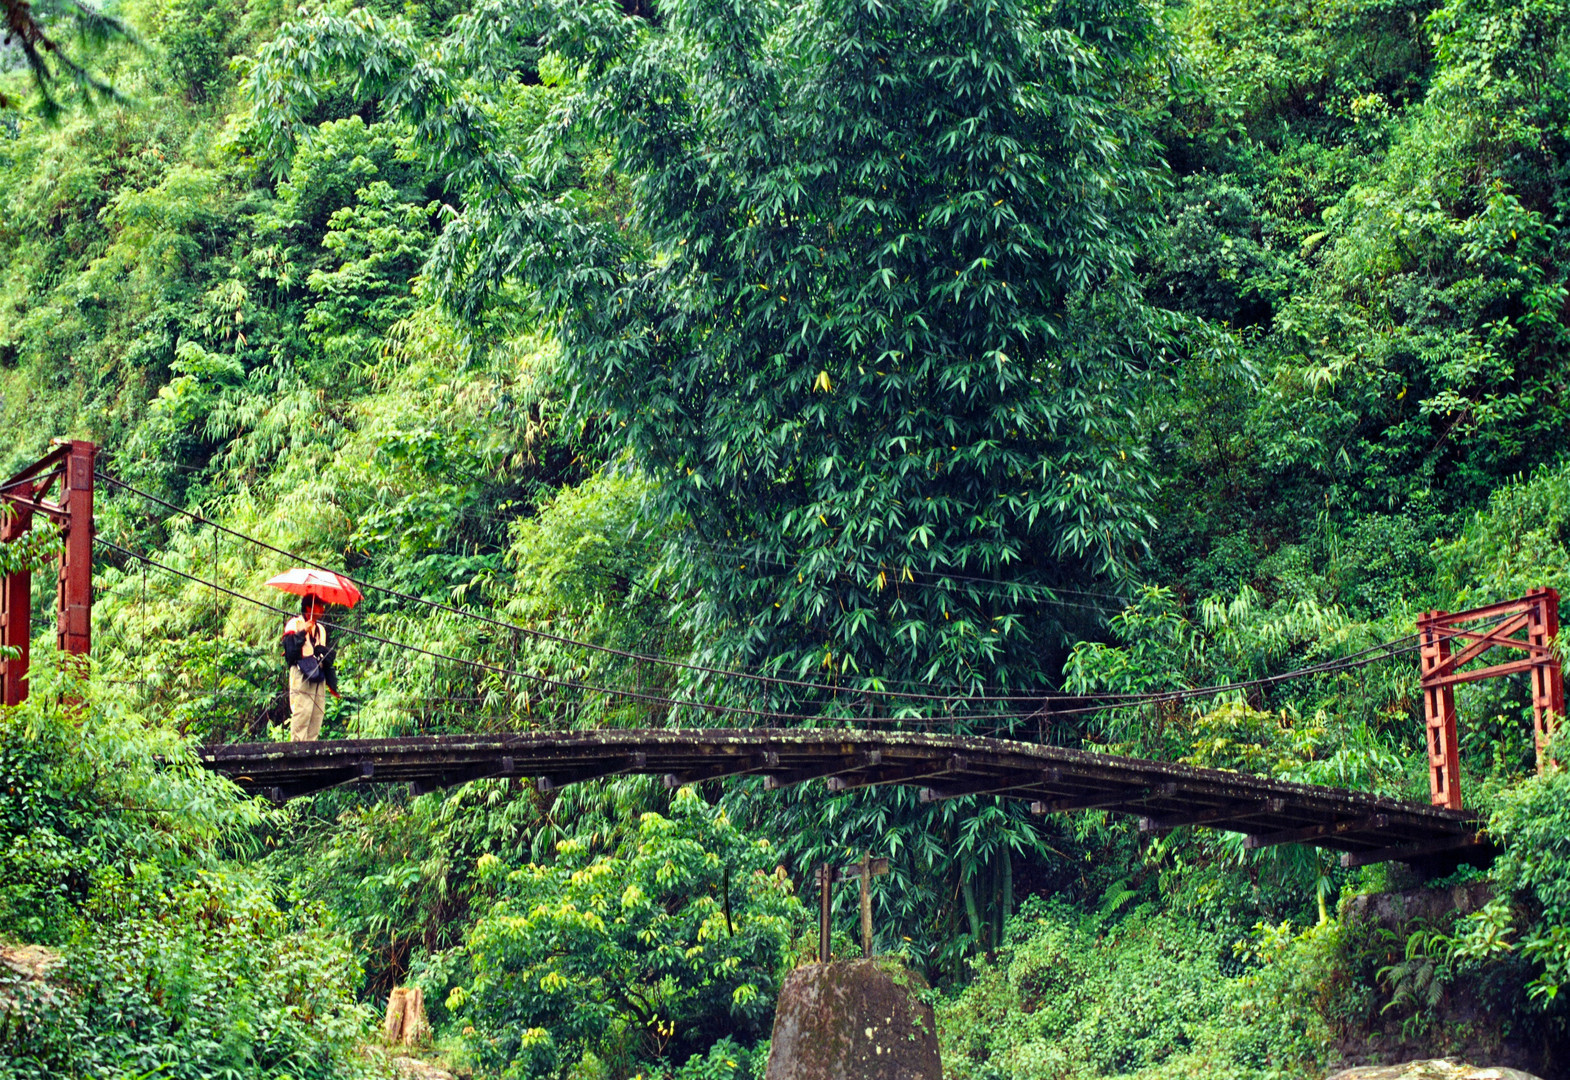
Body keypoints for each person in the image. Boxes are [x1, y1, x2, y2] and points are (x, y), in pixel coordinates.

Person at [281, 593, 340, 741]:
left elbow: (322, 656)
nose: (323, 609)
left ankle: (311, 746)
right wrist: (302, 632)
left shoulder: (321, 629)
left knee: (317, 712)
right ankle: (298, 747)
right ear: (309, 607)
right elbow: (290, 652)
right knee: (302, 711)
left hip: (317, 673)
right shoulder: (294, 624)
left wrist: (331, 682)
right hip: (301, 673)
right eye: (320, 606)